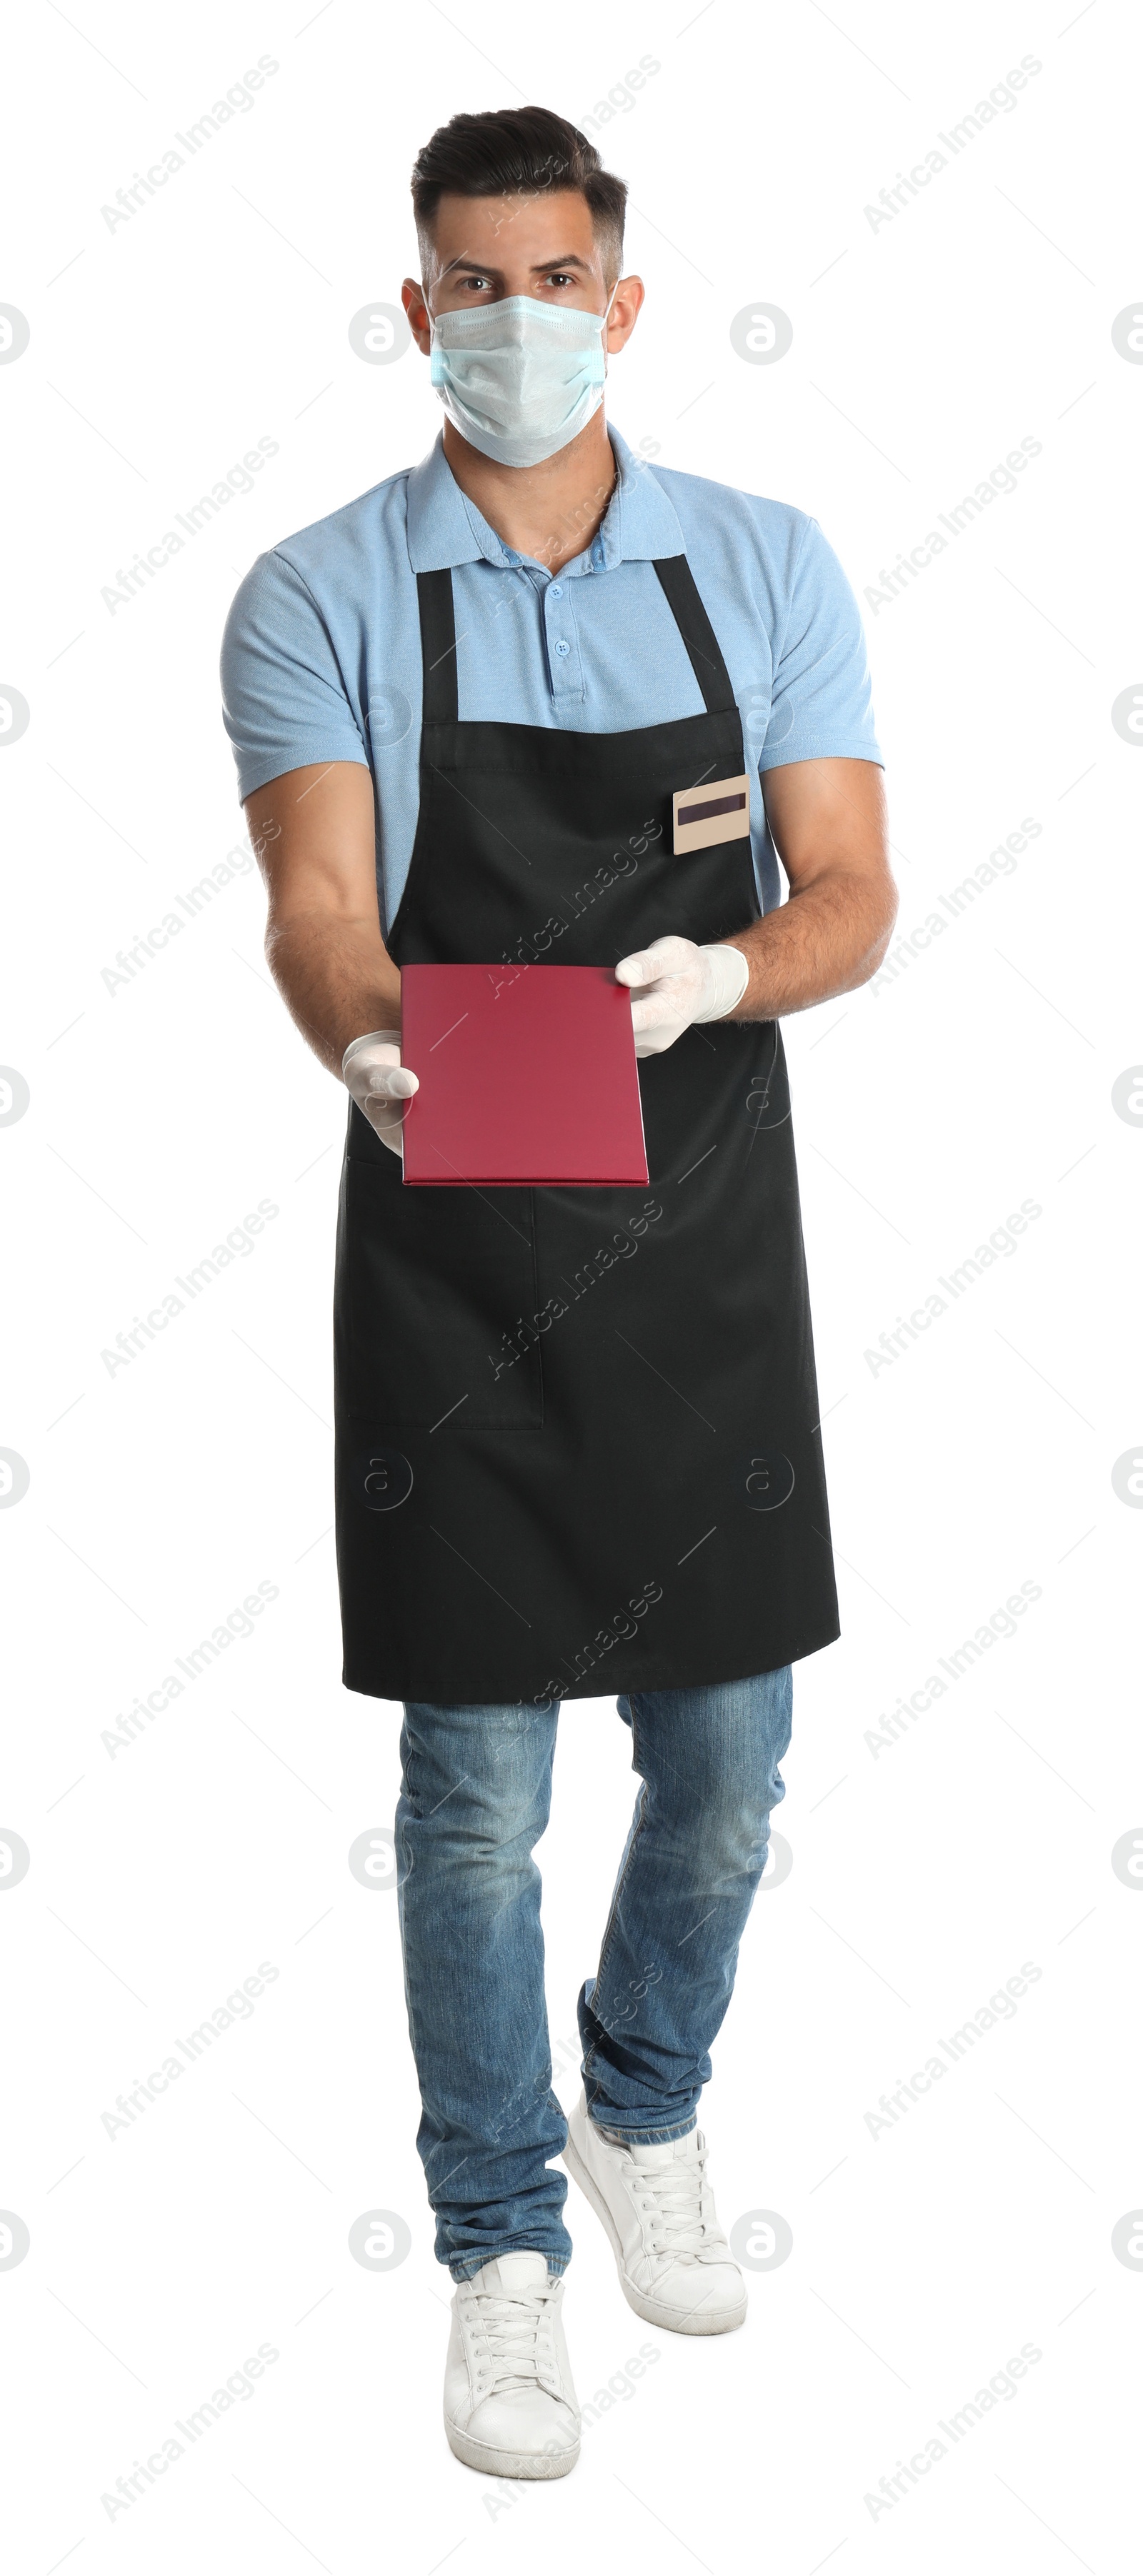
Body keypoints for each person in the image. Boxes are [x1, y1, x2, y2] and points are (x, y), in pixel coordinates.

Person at [221, 104, 895, 2482]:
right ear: (420, 310)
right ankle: (502, 2244)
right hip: (453, 1221)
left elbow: (853, 893)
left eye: (552, 279)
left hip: (703, 1232)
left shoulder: (763, 564)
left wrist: (722, 971)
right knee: (474, 1797)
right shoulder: (316, 589)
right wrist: (373, 1046)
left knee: (730, 1765)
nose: (512, 322)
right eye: (468, 287)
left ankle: (640, 2101)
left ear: (621, 295)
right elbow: (319, 906)